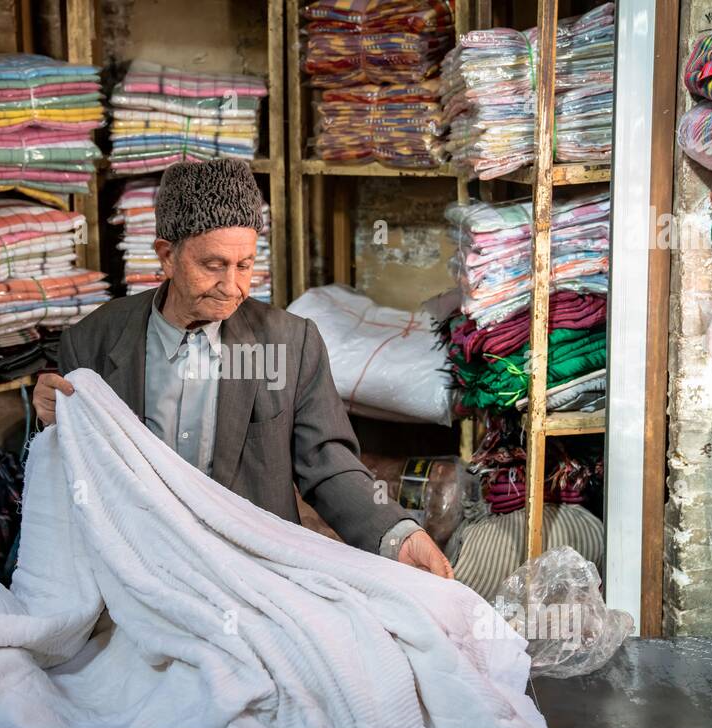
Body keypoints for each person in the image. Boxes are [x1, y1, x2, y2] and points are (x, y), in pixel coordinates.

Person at [32, 159, 451, 577]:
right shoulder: (92, 342)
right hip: (136, 568)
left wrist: (396, 535)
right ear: (167, 256)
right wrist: (50, 420)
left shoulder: (290, 343)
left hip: (254, 572)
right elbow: (69, 469)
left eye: (245, 265)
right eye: (213, 266)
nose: (232, 287)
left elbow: (328, 465)